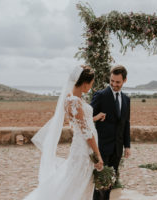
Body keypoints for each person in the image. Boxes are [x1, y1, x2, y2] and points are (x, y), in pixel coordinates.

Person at [23, 65, 105, 200]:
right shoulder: (74, 102)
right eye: (91, 83)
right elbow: (86, 133)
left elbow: (78, 124)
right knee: (78, 184)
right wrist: (98, 155)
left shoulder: (72, 99)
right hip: (84, 149)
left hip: (82, 147)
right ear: (84, 84)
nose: (90, 87)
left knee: (78, 183)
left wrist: (95, 118)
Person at [91, 65, 131, 200]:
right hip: (102, 148)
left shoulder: (126, 99)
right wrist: (96, 117)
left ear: (124, 80)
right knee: (99, 185)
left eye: (118, 82)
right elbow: (86, 119)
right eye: (112, 81)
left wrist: (127, 146)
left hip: (117, 149)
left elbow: (126, 123)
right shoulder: (101, 96)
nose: (114, 84)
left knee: (110, 183)